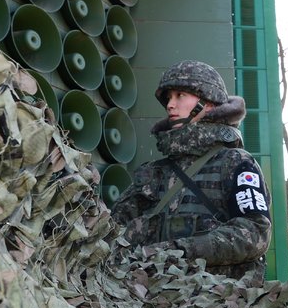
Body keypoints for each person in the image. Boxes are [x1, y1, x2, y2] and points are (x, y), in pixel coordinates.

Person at [111, 60, 271, 286]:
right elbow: (112, 232)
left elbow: (255, 233)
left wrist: (179, 251)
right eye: (168, 98)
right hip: (148, 300)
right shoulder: (153, 173)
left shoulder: (235, 163)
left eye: (180, 95)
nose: (170, 105)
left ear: (208, 103)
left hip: (218, 302)